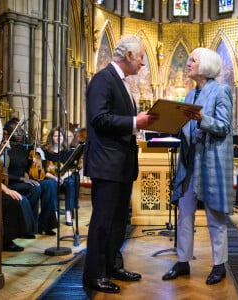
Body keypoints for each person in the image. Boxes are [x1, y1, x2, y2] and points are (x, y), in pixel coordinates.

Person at [82, 35, 158, 294]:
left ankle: (113, 265)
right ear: (127, 56)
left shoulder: (122, 82)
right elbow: (99, 118)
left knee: (118, 221)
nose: (143, 64)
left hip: (121, 163)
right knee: (102, 222)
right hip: (107, 163)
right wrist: (135, 122)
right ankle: (94, 275)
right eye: (141, 58)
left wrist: (138, 123)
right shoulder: (103, 79)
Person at [162, 48, 234, 285]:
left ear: (206, 66)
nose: (188, 64)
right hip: (189, 163)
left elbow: (224, 126)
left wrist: (203, 119)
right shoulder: (190, 95)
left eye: (193, 60)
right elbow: (186, 127)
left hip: (210, 161)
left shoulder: (221, 90)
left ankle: (219, 265)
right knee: (184, 214)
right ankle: (182, 261)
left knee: (215, 216)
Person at [3, 118, 58, 236]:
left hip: (26, 181)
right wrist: (23, 179)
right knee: (35, 188)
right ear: (7, 133)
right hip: (12, 183)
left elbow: (35, 167)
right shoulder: (5, 149)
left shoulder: (24, 148)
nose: (19, 134)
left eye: (20, 131)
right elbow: (3, 174)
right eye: (15, 132)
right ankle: (30, 227)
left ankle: (43, 225)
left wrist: (37, 155)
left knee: (50, 184)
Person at [43, 127, 80, 226]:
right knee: (51, 184)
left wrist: (63, 178)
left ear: (63, 137)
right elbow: (43, 170)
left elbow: (71, 169)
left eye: (60, 136)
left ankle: (68, 212)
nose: (58, 138)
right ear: (51, 138)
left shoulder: (68, 151)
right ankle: (54, 213)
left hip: (65, 177)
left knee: (70, 182)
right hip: (51, 177)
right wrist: (55, 178)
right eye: (55, 136)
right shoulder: (46, 152)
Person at [1, 183, 35, 252]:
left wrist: (6, 190)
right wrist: (7, 190)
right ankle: (6, 241)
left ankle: (27, 231)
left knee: (20, 199)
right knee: (13, 201)